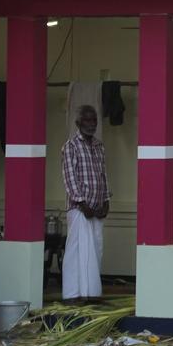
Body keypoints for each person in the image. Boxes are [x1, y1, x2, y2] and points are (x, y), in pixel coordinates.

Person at [60, 105, 109, 302]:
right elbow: (69, 178)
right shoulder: (71, 146)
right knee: (76, 251)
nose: (91, 124)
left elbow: (103, 175)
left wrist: (106, 200)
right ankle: (73, 294)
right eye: (87, 121)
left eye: (94, 120)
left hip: (97, 209)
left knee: (95, 249)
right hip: (80, 209)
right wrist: (82, 203)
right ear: (78, 123)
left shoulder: (99, 146)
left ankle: (91, 294)